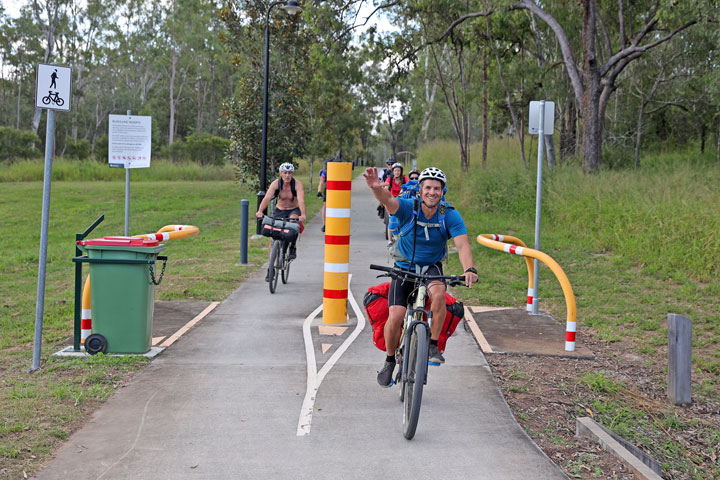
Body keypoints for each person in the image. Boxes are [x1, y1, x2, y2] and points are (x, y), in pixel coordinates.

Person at [363, 166, 478, 388]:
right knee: (395, 316)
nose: (432, 192)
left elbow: (462, 244)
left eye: (437, 188)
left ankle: (432, 345)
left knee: (439, 294)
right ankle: (389, 362)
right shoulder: (409, 207)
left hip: (431, 267)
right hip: (404, 266)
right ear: (420, 189)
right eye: (428, 187)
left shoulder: (449, 214)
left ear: (443, 191)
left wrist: (469, 269)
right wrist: (376, 188)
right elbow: (389, 200)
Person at [256, 163, 307, 277]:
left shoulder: (297, 185)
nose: (287, 175)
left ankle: (292, 246)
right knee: (272, 239)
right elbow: (267, 198)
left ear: (292, 174)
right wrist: (260, 211)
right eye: (285, 173)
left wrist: (303, 214)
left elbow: (301, 200)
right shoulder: (276, 184)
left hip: (293, 210)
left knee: (293, 223)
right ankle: (271, 268)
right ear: (280, 173)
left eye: (289, 173)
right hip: (280, 211)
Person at [383, 162, 408, 244]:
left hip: (402, 199)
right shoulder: (390, 179)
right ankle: (390, 240)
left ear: (401, 171)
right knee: (391, 219)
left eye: (398, 170)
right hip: (391, 199)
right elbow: (386, 188)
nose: (397, 172)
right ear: (393, 171)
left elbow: (408, 186)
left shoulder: (404, 179)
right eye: (395, 170)